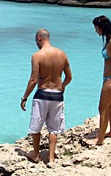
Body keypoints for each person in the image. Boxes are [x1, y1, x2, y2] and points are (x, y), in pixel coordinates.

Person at [20, 28, 72, 164]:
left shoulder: (37, 56)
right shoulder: (62, 54)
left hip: (42, 94)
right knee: (54, 128)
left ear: (39, 38)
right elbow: (69, 77)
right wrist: (62, 87)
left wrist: (24, 97)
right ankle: (51, 158)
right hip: (57, 96)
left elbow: (33, 79)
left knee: (36, 126)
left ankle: (36, 154)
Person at [87, 15, 111, 146]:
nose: (96, 30)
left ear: (102, 27)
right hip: (107, 78)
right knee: (110, 106)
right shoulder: (109, 40)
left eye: (96, 27)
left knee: (102, 108)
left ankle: (100, 139)